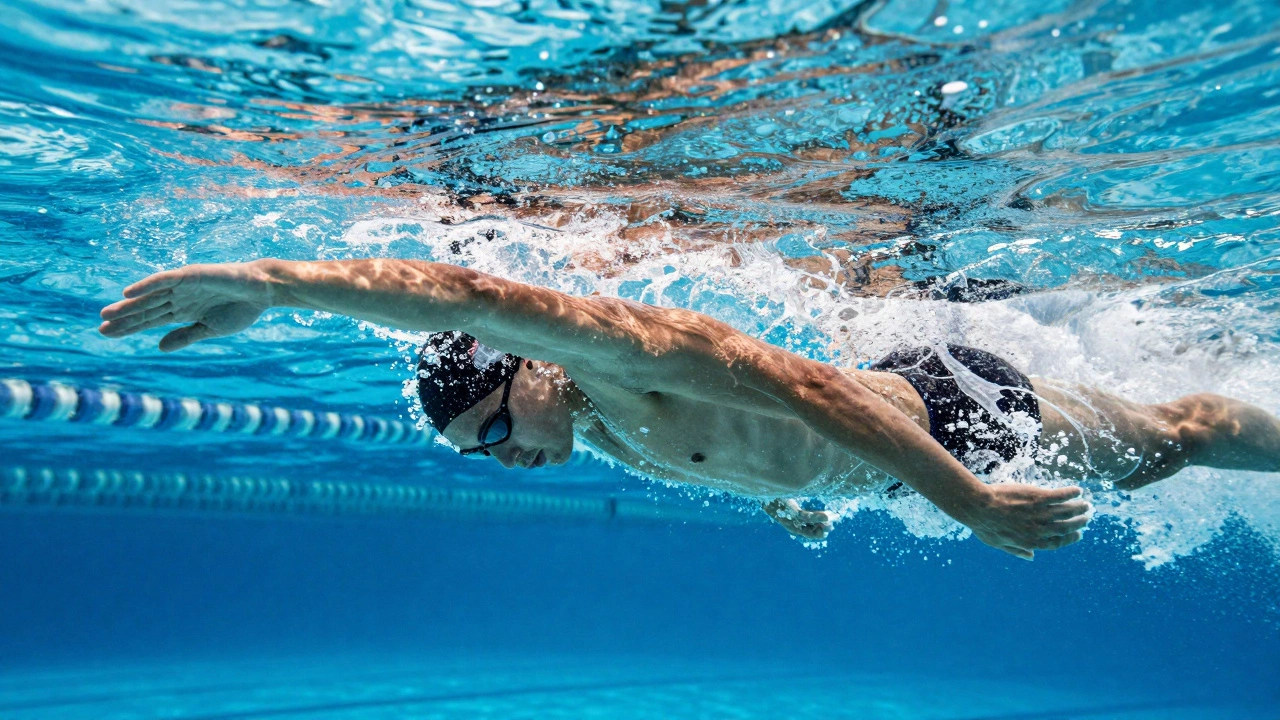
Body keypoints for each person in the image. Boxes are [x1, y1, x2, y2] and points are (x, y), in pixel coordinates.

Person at [99, 259, 1280, 558]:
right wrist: (787, 505)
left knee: (1169, 444)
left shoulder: (625, 363)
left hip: (949, 413)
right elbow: (744, 456)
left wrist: (274, 284)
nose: (505, 459)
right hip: (892, 460)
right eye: (484, 453)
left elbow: (810, 393)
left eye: (496, 432)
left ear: (527, 374)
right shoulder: (596, 432)